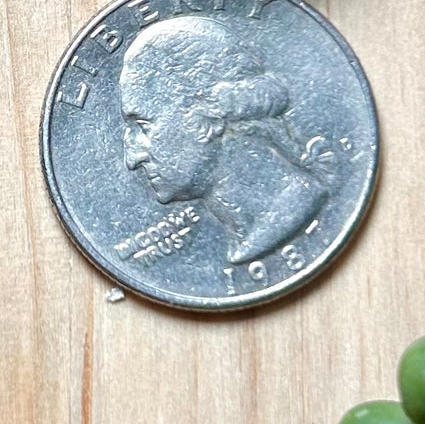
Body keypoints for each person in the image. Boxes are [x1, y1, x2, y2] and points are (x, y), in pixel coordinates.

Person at [118, 14, 332, 266]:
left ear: (209, 113)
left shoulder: (290, 208)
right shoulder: (249, 233)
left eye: (142, 126)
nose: (132, 158)